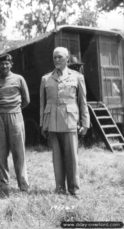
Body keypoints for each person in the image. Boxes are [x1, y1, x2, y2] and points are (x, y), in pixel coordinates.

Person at [40, 47, 90, 197]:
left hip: (70, 121)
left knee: (72, 157)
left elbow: (83, 102)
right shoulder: (46, 79)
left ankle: (74, 189)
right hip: (52, 122)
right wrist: (43, 123)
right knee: (57, 158)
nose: (56, 60)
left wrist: (85, 122)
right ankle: (60, 189)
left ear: (67, 58)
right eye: (54, 57)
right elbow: (42, 103)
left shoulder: (77, 77)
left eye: (60, 57)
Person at [0, 53, 30, 195]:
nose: (4, 66)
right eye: (1, 64)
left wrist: (14, 110)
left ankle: (23, 183)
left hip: (15, 116)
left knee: (18, 151)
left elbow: (26, 100)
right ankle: (1, 183)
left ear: (11, 64)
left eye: (6, 63)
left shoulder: (19, 79)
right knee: (0, 152)